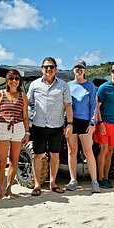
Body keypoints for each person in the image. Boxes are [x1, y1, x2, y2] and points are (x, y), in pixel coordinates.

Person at [27, 57, 73, 196]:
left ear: (55, 69)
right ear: (42, 68)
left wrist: (70, 124)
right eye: (46, 67)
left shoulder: (63, 85)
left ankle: (53, 183)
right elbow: (27, 102)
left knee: (55, 155)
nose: (48, 69)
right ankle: (37, 185)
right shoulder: (34, 85)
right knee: (38, 155)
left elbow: (68, 106)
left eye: (51, 67)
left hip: (57, 126)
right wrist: (27, 119)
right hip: (39, 125)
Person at [0, 69, 30, 200]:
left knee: (14, 162)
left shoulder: (23, 96)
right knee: (1, 163)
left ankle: (9, 189)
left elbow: (25, 116)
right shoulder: (0, 94)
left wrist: (27, 131)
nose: (14, 81)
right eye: (11, 78)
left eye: (17, 79)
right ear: (7, 81)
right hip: (2, 128)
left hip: (18, 128)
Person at [66, 60, 100, 193]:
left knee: (88, 151)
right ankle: (73, 180)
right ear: (73, 70)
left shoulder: (90, 86)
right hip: (71, 121)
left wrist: (92, 123)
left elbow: (94, 106)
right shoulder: (67, 86)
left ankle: (94, 181)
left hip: (85, 121)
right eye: (77, 67)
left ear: (85, 70)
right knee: (71, 150)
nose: (79, 70)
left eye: (82, 68)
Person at [94, 63, 114, 189]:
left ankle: (106, 178)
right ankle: (100, 178)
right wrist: (100, 123)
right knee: (104, 149)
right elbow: (97, 107)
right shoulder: (103, 87)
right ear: (111, 73)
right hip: (104, 123)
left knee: (111, 151)